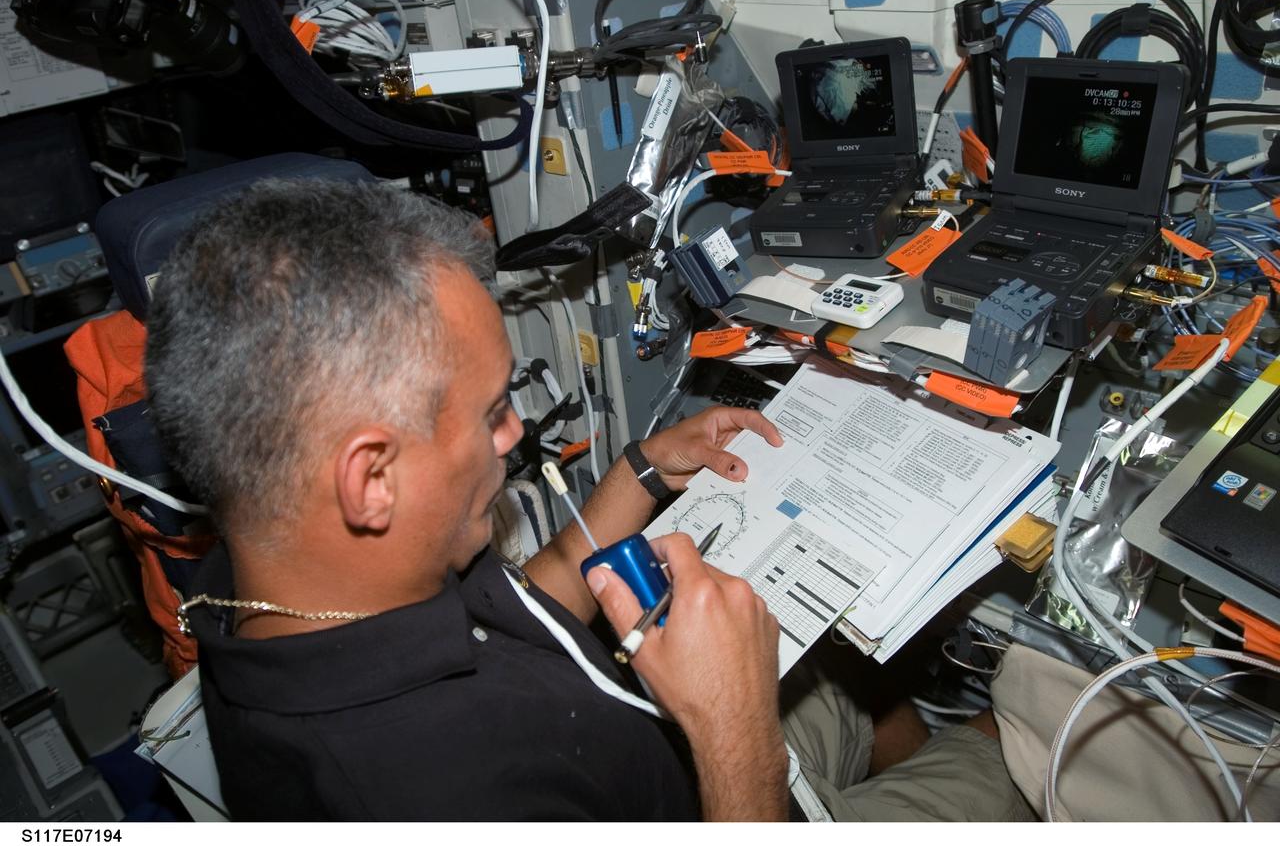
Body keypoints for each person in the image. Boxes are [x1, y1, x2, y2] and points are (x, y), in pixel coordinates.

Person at [145, 178, 1034, 822]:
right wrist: (732, 729)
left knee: (853, 676)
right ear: (372, 478)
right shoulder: (439, 796)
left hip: (682, 750)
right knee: (1015, 738)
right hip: (733, 787)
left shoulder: (273, 578)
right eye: (492, 412)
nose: (514, 432)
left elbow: (517, 608)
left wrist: (640, 471)